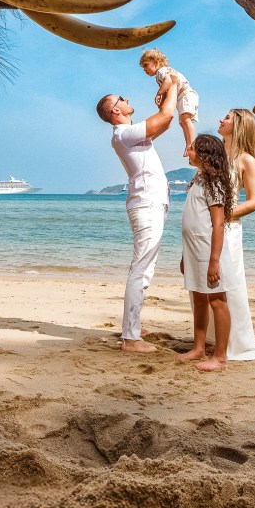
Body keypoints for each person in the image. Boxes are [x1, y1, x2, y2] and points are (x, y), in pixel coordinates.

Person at [96, 88, 177, 353]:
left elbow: (166, 119)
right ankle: (131, 338)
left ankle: (133, 327)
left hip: (150, 202)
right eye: (122, 99)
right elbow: (165, 116)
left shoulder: (129, 134)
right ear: (115, 111)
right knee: (141, 268)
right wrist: (172, 83)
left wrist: (166, 97)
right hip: (146, 203)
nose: (128, 99)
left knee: (145, 268)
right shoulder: (123, 133)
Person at [176, 134, 235, 372]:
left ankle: (220, 356)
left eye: (190, 148)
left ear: (203, 154)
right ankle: (198, 347)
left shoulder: (214, 183)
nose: (186, 152)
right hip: (193, 250)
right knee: (198, 298)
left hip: (208, 251)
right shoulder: (198, 179)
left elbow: (218, 224)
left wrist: (214, 261)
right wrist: (184, 255)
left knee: (217, 300)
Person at [218, 108, 255, 361]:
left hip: (228, 228)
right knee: (207, 284)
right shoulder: (214, 153)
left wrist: (222, 216)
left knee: (230, 284)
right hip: (206, 228)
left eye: (226, 117)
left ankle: (238, 344)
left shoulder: (246, 160)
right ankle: (216, 339)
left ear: (238, 125)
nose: (221, 120)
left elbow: (254, 202)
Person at [139, 48, 199, 157]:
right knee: (183, 121)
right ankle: (188, 144)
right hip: (183, 95)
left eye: (146, 65)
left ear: (156, 63)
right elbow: (169, 90)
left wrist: (159, 93)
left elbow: (168, 81)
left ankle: (191, 144)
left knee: (185, 120)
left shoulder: (162, 71)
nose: (144, 69)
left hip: (185, 94)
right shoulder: (162, 72)